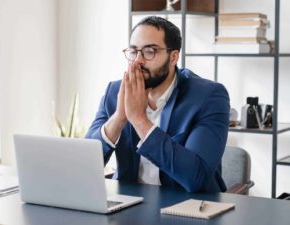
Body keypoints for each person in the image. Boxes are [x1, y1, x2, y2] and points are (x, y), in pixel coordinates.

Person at [85, 16, 230, 193]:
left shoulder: (208, 97)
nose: (137, 61)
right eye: (133, 51)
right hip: (128, 206)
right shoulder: (115, 91)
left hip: (187, 209)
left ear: (173, 57)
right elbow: (85, 163)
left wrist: (139, 120)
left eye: (149, 51)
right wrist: (119, 118)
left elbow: (195, 177)